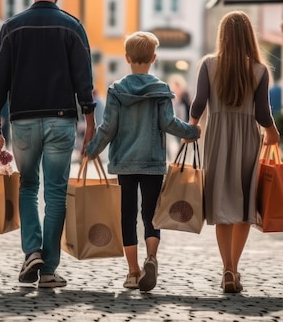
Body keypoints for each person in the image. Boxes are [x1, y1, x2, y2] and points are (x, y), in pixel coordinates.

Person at [0, 0, 96, 289]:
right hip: (62, 120)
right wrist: (90, 123)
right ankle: (48, 270)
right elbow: (83, 80)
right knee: (57, 193)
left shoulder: (12, 28)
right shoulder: (72, 27)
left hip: (23, 121)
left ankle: (31, 250)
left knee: (28, 187)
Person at [86, 31, 201, 292]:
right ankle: (152, 258)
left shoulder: (116, 90)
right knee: (151, 215)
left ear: (127, 57)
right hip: (152, 162)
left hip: (125, 163)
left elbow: (109, 127)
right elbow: (168, 124)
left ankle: (133, 271)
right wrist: (192, 132)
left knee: (127, 216)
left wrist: (92, 149)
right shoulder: (161, 89)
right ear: (154, 58)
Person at [189, 11, 280, 294]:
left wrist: (192, 126)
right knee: (243, 205)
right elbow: (263, 113)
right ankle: (234, 269)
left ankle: (226, 268)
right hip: (246, 140)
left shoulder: (208, 64)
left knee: (220, 204)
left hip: (216, 138)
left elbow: (199, 103)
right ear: (249, 37)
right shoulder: (260, 70)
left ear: (223, 36)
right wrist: (273, 132)